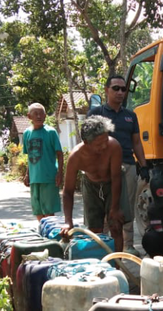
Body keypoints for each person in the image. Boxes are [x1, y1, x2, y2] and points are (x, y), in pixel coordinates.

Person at [87, 75, 150, 257]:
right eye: (116, 88)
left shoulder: (131, 116)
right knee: (106, 206)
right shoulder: (95, 114)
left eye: (124, 89)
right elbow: (87, 143)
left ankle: (128, 245)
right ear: (106, 90)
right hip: (103, 168)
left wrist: (143, 165)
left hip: (128, 166)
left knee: (126, 207)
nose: (120, 92)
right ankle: (102, 245)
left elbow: (137, 142)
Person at [61, 116, 126, 251]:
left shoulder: (114, 147)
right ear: (86, 142)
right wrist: (68, 221)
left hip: (113, 184)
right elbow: (68, 191)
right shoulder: (76, 157)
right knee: (94, 230)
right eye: (98, 144)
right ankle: (100, 265)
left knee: (116, 225)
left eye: (105, 141)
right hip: (91, 186)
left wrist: (114, 208)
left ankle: (118, 266)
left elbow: (116, 177)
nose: (103, 146)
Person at [23, 103, 64, 221]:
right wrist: (27, 174)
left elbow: (59, 154)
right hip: (35, 179)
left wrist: (59, 173)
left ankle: (50, 235)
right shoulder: (27, 133)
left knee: (49, 212)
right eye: (35, 114)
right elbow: (30, 156)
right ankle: (43, 235)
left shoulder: (51, 132)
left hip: (49, 178)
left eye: (41, 113)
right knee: (38, 210)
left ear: (45, 116)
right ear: (29, 116)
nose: (39, 116)